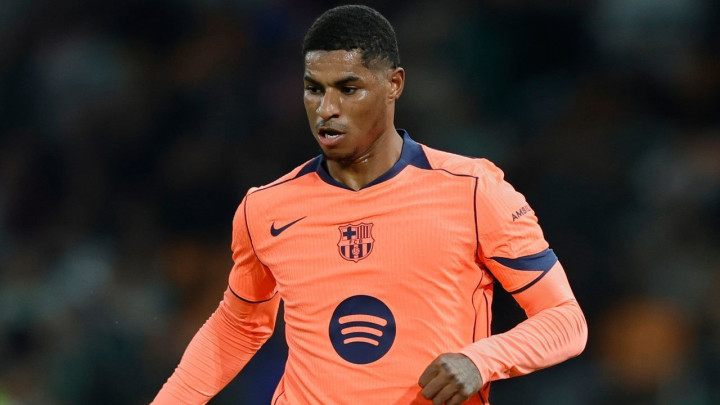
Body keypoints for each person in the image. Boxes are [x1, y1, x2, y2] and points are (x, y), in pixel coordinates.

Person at [152, 5, 587, 405]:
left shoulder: (473, 191)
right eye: (313, 89)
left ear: (393, 84)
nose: (327, 108)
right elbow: (238, 326)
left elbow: (566, 321)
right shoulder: (265, 208)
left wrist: (481, 360)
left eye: (348, 88)